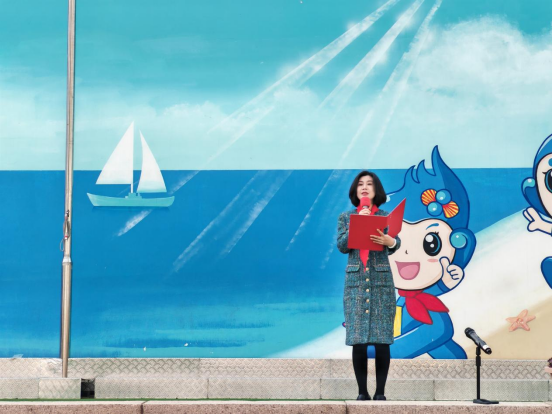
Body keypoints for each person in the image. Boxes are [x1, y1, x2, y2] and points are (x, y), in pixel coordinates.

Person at [337, 171, 401, 401]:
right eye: (360, 184)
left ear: (376, 190)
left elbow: (396, 242)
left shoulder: (386, 216)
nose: (364, 187)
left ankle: (380, 392)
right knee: (359, 339)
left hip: (381, 282)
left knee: (382, 339)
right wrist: (358, 223)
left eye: (369, 184)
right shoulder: (346, 217)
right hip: (355, 283)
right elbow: (342, 246)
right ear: (355, 191)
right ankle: (362, 392)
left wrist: (390, 241)